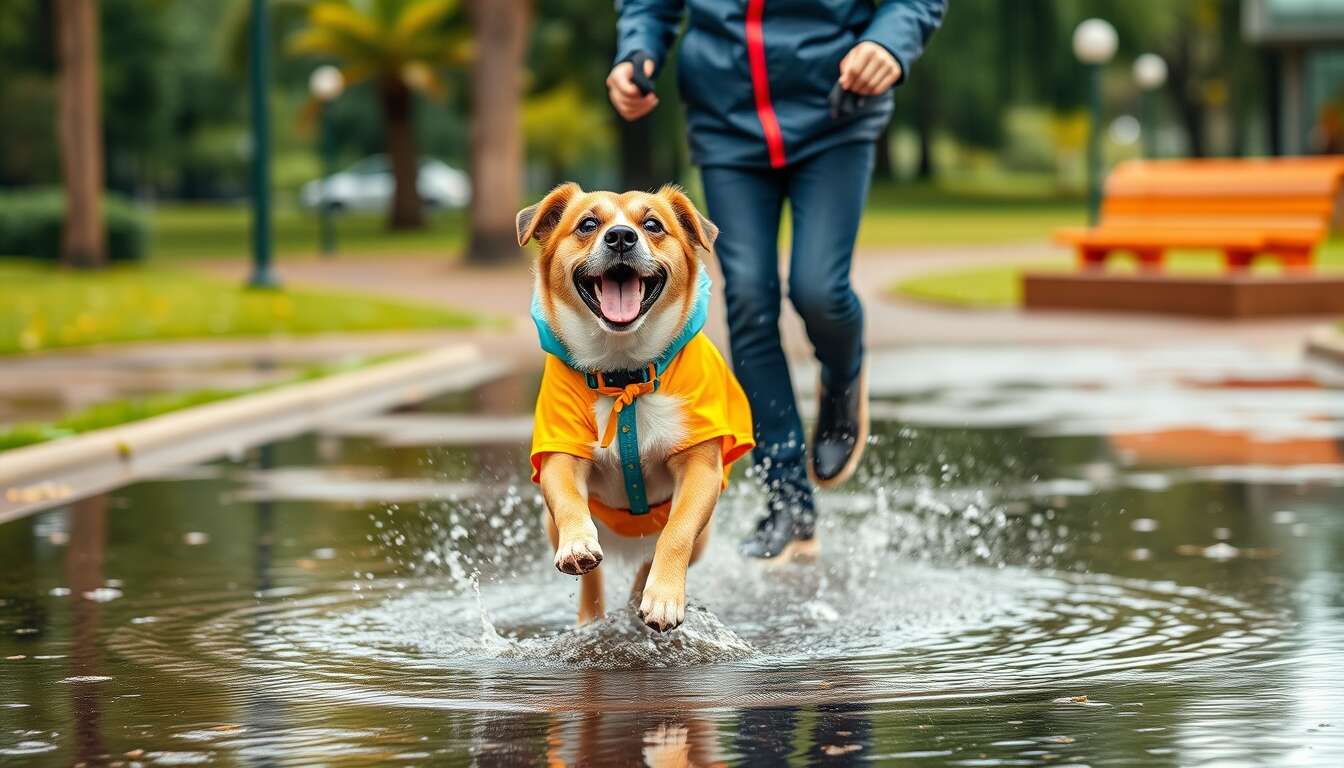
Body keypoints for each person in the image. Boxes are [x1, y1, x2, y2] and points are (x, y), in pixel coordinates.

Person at [608, 0, 944, 559]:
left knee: (819, 290)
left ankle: (842, 377)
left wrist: (888, 42)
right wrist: (636, 50)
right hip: (726, 122)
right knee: (747, 300)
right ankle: (787, 501)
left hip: (836, 110)